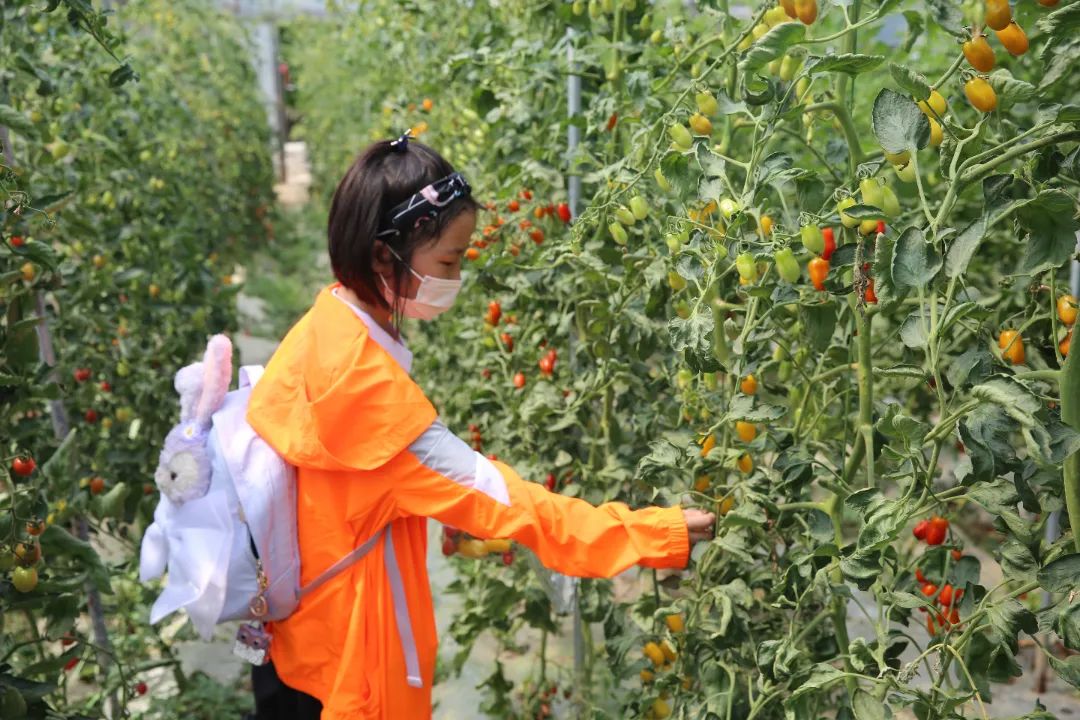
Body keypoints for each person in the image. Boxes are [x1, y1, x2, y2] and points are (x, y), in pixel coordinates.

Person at [244, 131, 716, 720]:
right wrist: (652, 532)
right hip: (351, 682)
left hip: (301, 650)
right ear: (383, 256)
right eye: (449, 260)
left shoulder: (323, 329)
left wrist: (409, 505)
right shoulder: (371, 398)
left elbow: (343, 489)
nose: (458, 276)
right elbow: (509, 502)